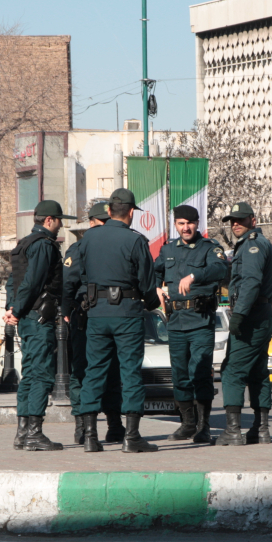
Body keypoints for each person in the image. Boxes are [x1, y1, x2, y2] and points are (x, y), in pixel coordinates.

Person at [63, 188, 161, 453]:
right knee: (129, 372)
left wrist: (71, 306)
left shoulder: (87, 239)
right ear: (131, 212)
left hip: (95, 314)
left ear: (108, 211)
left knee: (94, 371)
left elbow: (76, 276)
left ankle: (91, 437)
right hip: (127, 313)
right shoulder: (135, 240)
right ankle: (131, 437)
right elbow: (146, 282)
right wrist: (152, 303)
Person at [4, 200, 76, 452]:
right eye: (59, 220)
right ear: (48, 220)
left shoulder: (24, 244)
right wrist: (19, 309)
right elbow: (32, 283)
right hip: (38, 319)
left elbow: (13, 282)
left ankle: (23, 433)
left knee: (30, 373)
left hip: (27, 317)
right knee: (41, 374)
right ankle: (34, 433)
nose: (60, 225)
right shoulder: (45, 246)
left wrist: (12, 309)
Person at [153, 204, 229, 444]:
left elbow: (220, 268)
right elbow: (155, 271)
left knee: (200, 370)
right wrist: (156, 285)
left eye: (190, 223)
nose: (186, 228)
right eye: (181, 223)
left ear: (198, 224)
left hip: (200, 320)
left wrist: (194, 276)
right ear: (175, 225)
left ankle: (203, 425)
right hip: (175, 321)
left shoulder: (210, 248)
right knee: (180, 374)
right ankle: (187, 424)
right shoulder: (167, 250)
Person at [64, 201, 124, 449]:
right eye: (103, 223)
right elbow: (68, 282)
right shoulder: (78, 249)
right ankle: (83, 426)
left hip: (110, 316)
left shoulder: (115, 245)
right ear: (93, 223)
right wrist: (68, 310)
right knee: (82, 371)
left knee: (112, 371)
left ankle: (114, 424)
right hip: (84, 320)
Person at [218, 202, 272, 446]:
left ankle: (233, 431)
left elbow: (252, 282)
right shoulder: (257, 243)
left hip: (252, 316)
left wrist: (239, 315)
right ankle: (261, 429)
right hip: (261, 313)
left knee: (232, 370)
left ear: (253, 220)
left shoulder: (252, 244)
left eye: (241, 220)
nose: (235, 224)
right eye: (232, 220)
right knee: (257, 371)